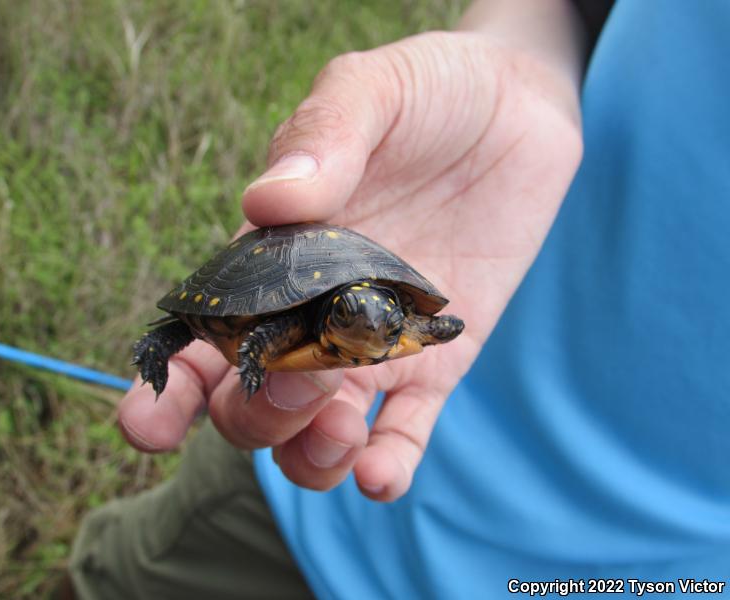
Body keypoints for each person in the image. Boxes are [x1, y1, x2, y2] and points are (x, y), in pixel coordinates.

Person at [65, 0, 730, 597]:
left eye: (376, 314)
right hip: (306, 514)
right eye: (354, 311)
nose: (367, 318)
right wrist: (520, 59)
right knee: (119, 573)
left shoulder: (401, 329)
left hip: (652, 579)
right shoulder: (336, 319)